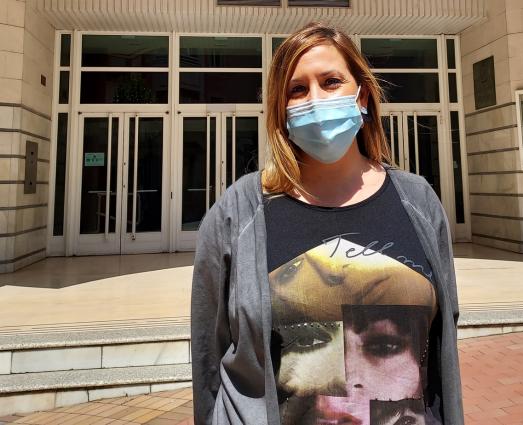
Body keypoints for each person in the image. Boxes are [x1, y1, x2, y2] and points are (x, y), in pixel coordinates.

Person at [191, 22, 464, 425]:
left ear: (363, 95)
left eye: (331, 81)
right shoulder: (238, 213)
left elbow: (442, 353)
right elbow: (209, 360)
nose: (314, 100)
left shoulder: (418, 201)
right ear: (280, 109)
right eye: (297, 90)